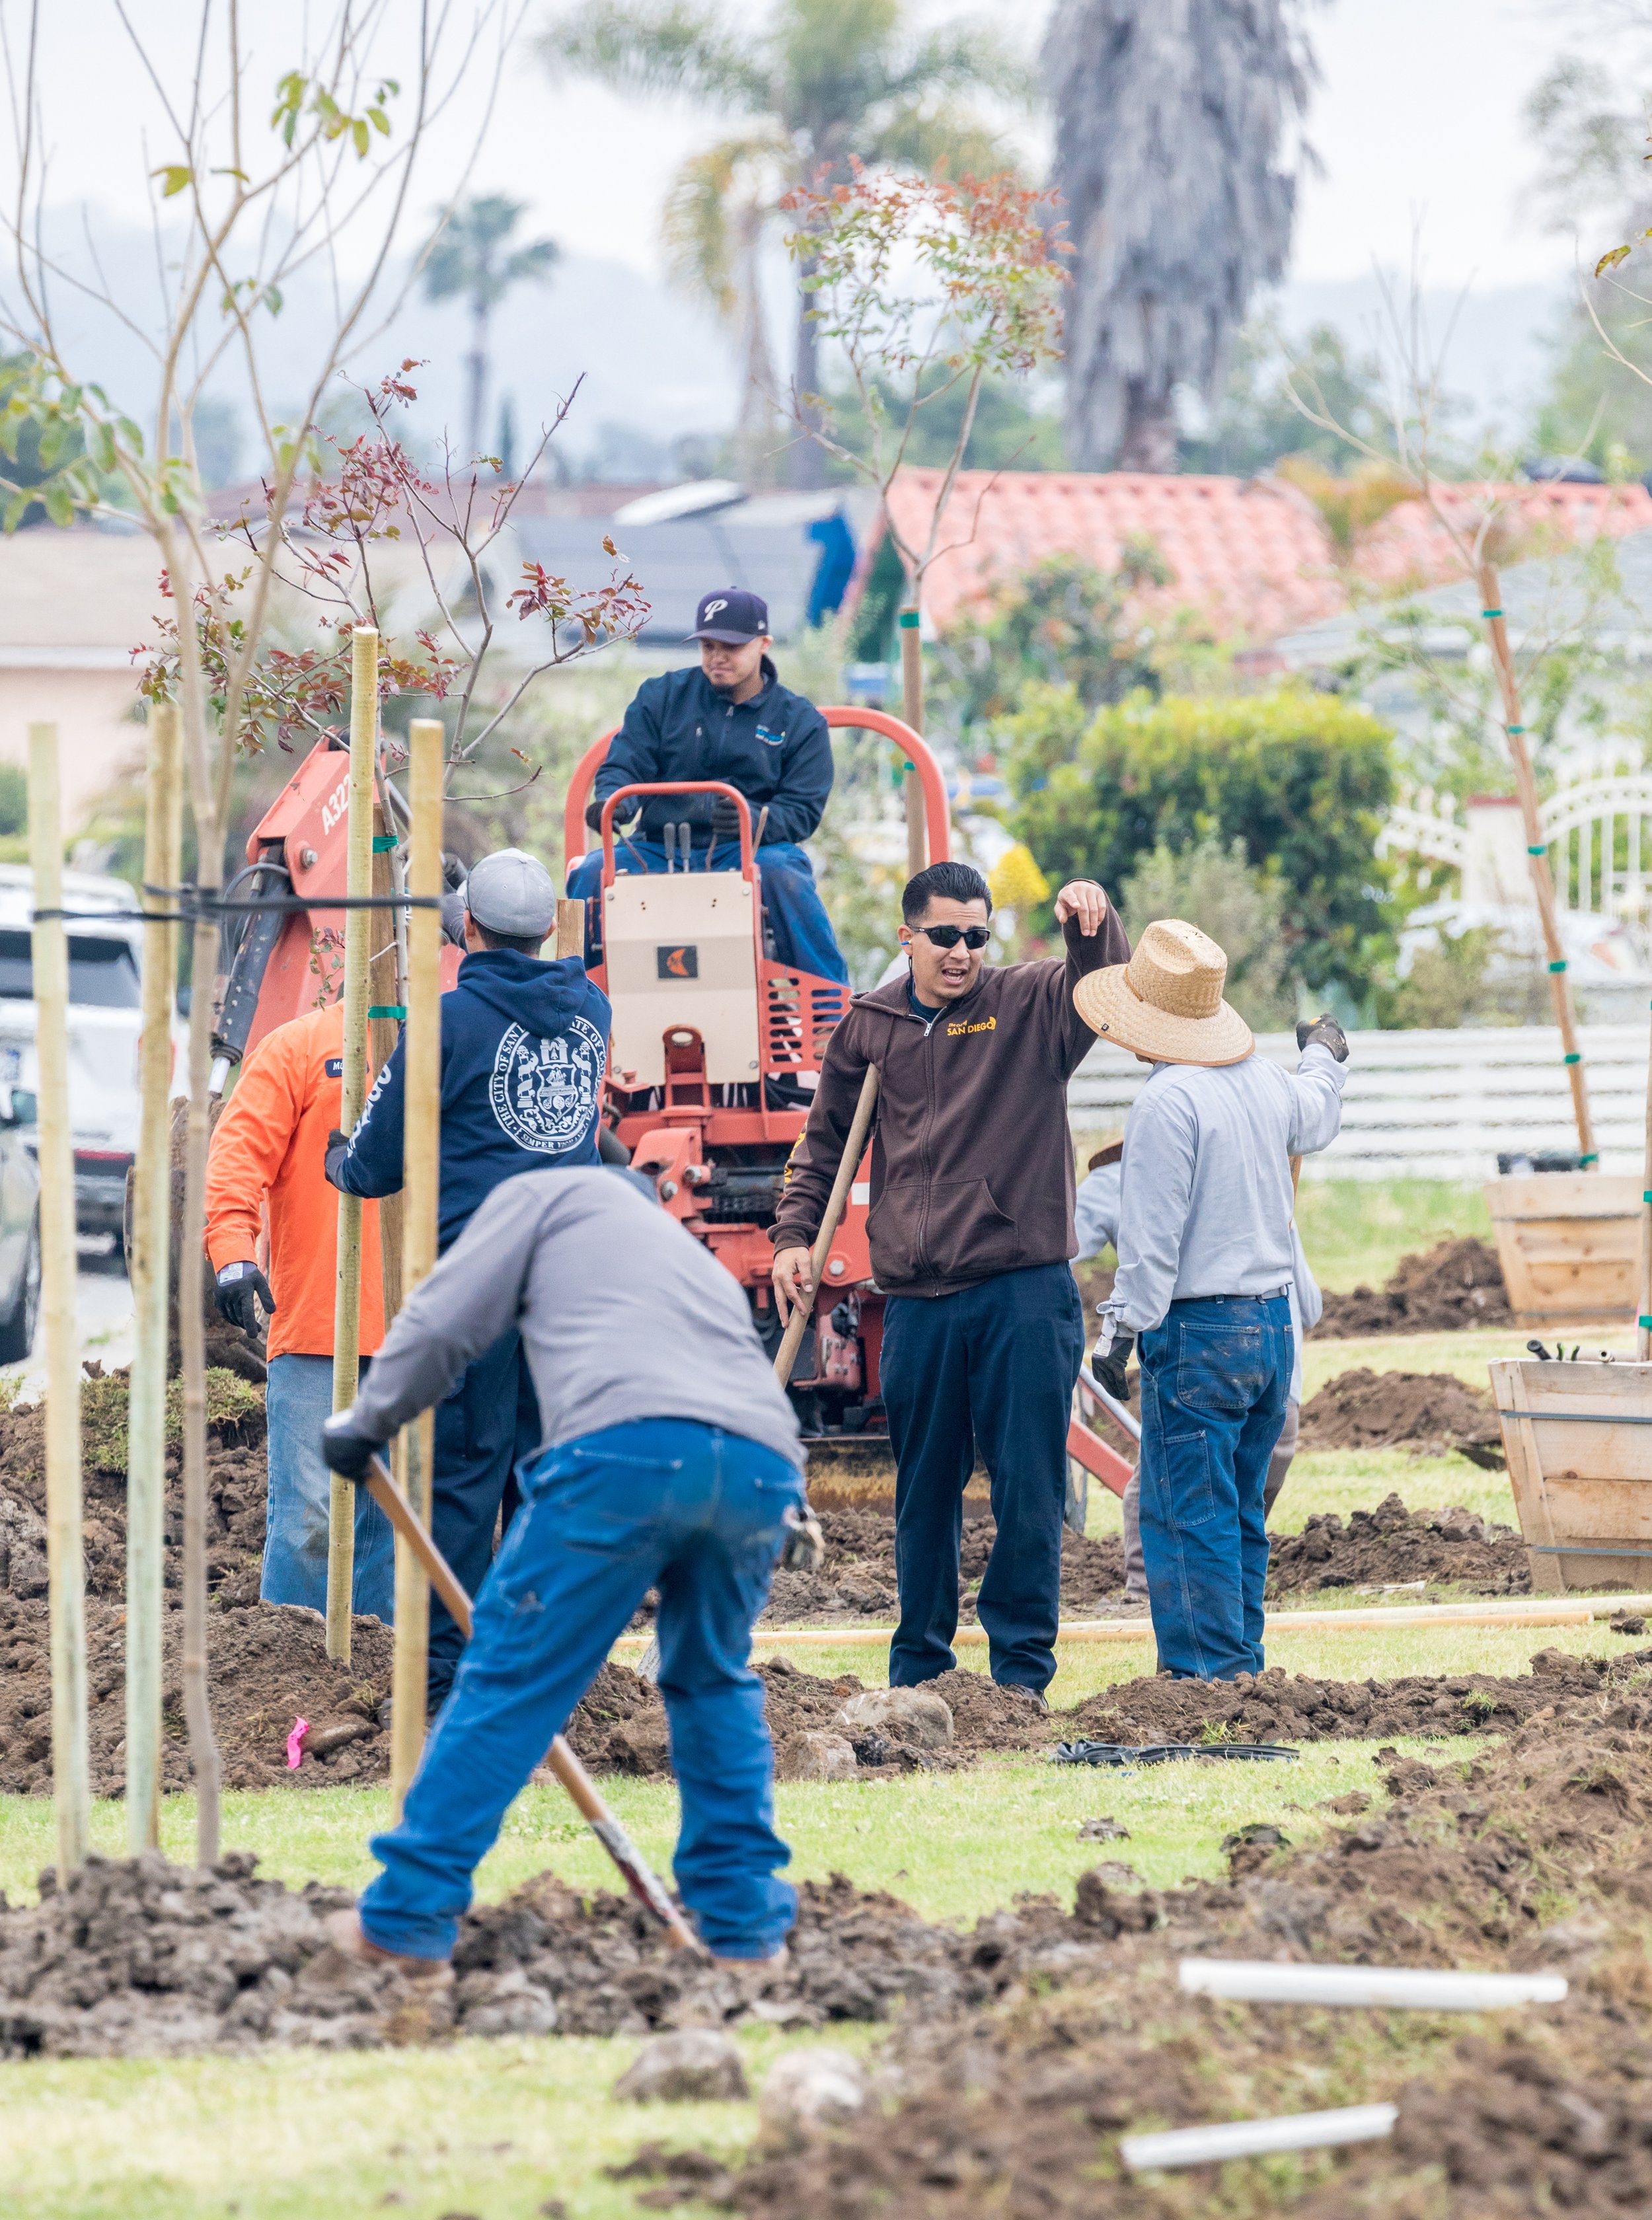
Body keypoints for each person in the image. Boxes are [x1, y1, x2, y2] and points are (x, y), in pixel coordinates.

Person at [318, 1167, 806, 1972]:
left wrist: (367, 1423)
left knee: (512, 1678)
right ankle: (745, 1931)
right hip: (763, 1469)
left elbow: (444, 1325)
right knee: (711, 1678)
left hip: (624, 1454)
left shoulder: (537, 1197)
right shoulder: (683, 1253)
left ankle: (403, 1920)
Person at [770, 858, 1131, 1701]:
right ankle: (919, 1666)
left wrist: (1091, 923)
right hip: (917, 1301)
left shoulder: (1031, 1005)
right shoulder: (868, 1026)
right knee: (923, 1489)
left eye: (976, 935)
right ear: (907, 938)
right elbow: (823, 1149)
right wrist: (794, 1237)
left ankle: (1018, 1677)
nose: (962, 951)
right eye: (944, 936)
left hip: (1022, 1291)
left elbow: (1100, 986)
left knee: (1028, 1486)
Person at [327, 847, 612, 1705]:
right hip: (569, 1283)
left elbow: (376, 1167)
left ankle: (451, 1671)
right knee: (547, 1476)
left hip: (481, 1285)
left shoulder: (445, 1025)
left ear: (470, 930)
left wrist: (343, 1158)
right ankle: (541, 1656)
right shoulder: (592, 1009)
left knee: (461, 1479)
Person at [1081, 919, 1347, 1682]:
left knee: (1184, 1508)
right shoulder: (1264, 1078)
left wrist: (1118, 1335)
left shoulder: (1168, 1102)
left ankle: (1205, 1680)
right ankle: (1240, 1664)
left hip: (1201, 1330)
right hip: (1270, 1325)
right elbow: (1317, 1108)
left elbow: (1152, 1242)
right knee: (1236, 1511)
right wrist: (1323, 1053)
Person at [206, 1000, 394, 1617]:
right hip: (317, 1322)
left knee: (392, 1527)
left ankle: (379, 1680)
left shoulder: (446, 1042)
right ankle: (288, 1678)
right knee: (310, 1519)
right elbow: (238, 1153)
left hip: (420, 1337)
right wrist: (234, 1251)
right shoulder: (303, 1046)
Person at [1073, 1137, 1322, 1603]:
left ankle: (1149, 1596)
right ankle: (1220, 1601)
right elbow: (1309, 1308)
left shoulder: (1119, 1178)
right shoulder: (1259, 1179)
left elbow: (1058, 1248)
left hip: (1195, 1360)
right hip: (1277, 1373)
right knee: (1241, 1498)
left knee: (1163, 1481)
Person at [566, 587, 847, 984]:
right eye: (708, 646)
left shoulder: (799, 721)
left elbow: (802, 810)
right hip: (656, 850)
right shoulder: (662, 697)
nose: (717, 657)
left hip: (745, 853)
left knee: (785, 873)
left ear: (764, 644)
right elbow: (625, 763)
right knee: (591, 872)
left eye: (731, 647)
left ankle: (830, 1008)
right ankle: (569, 993)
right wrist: (615, 803)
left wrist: (752, 818)